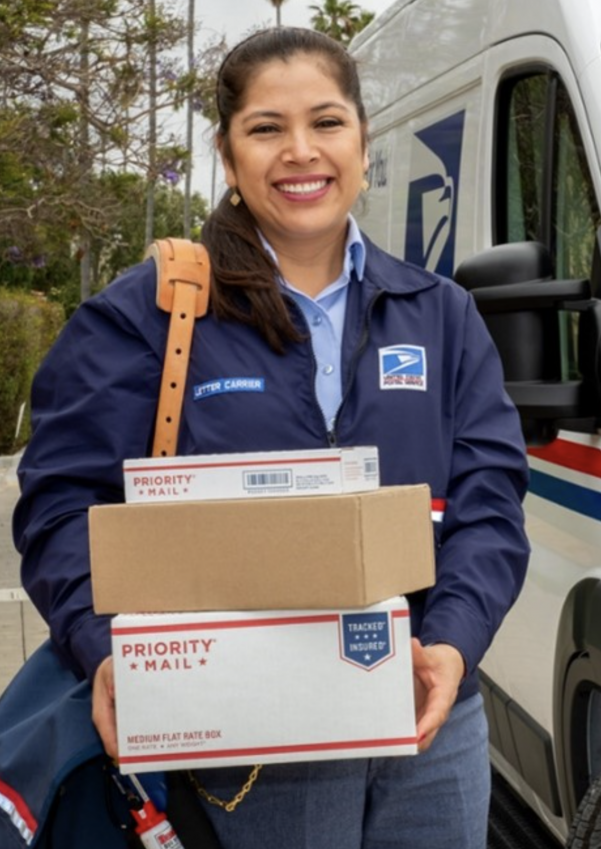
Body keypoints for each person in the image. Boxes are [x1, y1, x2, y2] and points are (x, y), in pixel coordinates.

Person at [13, 26, 530, 849]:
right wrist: (107, 649)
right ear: (228, 155)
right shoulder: (148, 315)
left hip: (424, 721)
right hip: (242, 732)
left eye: (326, 122)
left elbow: (491, 504)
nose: (301, 152)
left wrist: (452, 646)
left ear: (363, 139)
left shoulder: (440, 314)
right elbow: (60, 502)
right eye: (265, 128)